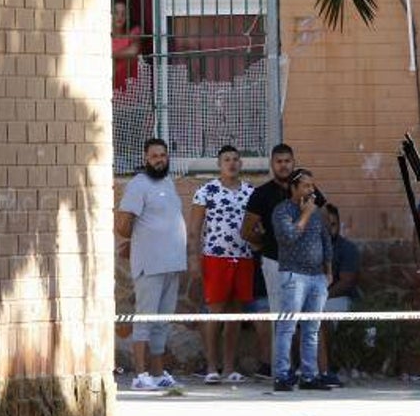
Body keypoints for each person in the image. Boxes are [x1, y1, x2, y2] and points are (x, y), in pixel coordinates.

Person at [115, 138, 186, 390]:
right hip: (149, 264)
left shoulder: (168, 182)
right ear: (146, 159)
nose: (160, 159)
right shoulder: (138, 184)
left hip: (172, 264)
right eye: (155, 156)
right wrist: (135, 242)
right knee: (145, 319)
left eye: (163, 155)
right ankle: (140, 375)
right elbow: (123, 225)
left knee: (162, 321)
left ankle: (157, 373)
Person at [189, 145, 255, 384]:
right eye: (227, 159)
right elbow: (195, 230)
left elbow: (255, 226)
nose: (232, 163)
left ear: (241, 164)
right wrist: (194, 260)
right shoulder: (206, 191)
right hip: (215, 258)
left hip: (244, 257)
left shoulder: (250, 191)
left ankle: (229, 367)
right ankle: (211, 367)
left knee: (235, 316)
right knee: (214, 314)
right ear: (219, 164)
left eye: (236, 159)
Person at [271, 168, 332, 392]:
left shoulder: (317, 212)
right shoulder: (281, 211)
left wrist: (329, 268)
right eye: (306, 186)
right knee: (287, 327)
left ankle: (309, 375)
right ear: (294, 188)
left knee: (312, 328)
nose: (311, 190)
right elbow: (289, 237)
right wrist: (305, 213)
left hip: (317, 277)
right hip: (293, 275)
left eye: (312, 186)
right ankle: (282, 375)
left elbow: (325, 238)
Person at [241, 143, 297, 375]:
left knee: (303, 317)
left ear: (293, 162)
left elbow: (322, 219)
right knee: (280, 316)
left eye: (287, 161)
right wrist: (264, 245)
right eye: (279, 161)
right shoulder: (262, 194)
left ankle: (304, 369)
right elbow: (246, 231)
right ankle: (280, 370)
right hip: (274, 262)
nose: (283, 166)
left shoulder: (305, 188)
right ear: (272, 164)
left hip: (304, 265)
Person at [317, 203, 360, 384]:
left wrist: (320, 297)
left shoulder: (347, 248)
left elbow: (346, 282)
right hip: (314, 297)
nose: (329, 229)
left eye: (333, 224)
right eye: (326, 225)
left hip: (338, 297)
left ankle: (326, 369)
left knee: (321, 317)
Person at [111, 0, 141, 93]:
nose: (120, 16)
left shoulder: (134, 32)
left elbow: (133, 51)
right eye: (116, 13)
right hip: (110, 88)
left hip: (130, 87)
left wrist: (111, 55)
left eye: (124, 13)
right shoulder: (104, 35)